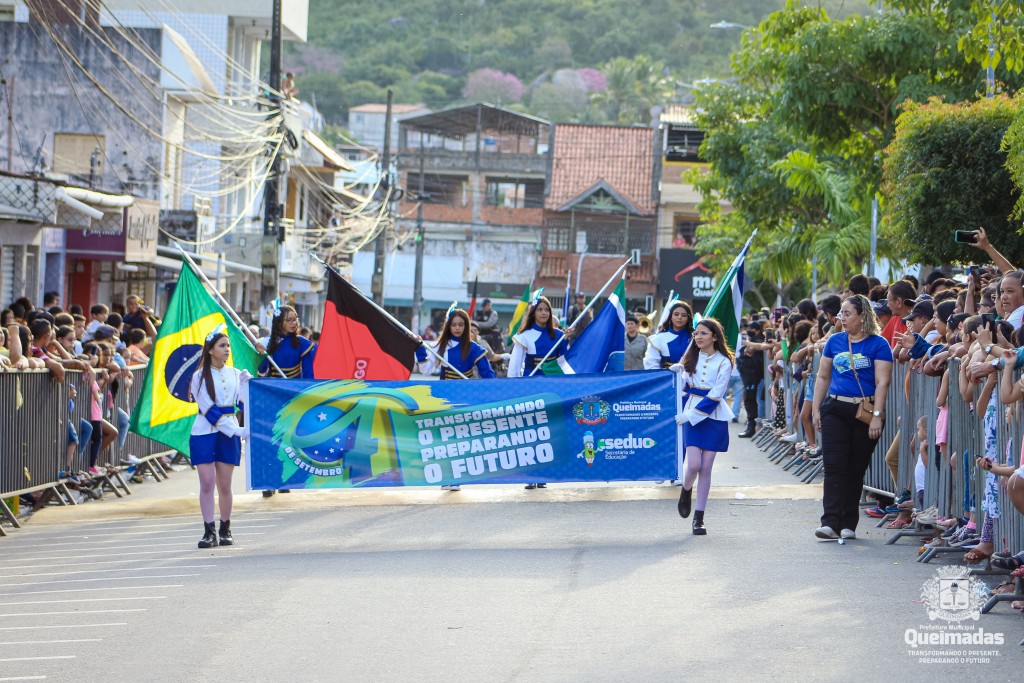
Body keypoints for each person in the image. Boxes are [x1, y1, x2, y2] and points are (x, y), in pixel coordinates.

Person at [811, 295, 893, 541]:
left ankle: (848, 523)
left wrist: (877, 416)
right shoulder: (834, 342)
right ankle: (830, 522)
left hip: (864, 412)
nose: (841, 318)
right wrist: (816, 408)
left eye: (847, 314)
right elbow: (823, 377)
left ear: (862, 316)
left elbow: (883, 382)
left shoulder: (878, 344)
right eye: (840, 314)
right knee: (834, 467)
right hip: (835, 408)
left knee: (855, 468)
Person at [417, 309, 496, 491]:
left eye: (461, 325)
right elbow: (425, 371)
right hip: (444, 396)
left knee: (460, 436)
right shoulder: (440, 347)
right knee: (444, 437)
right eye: (454, 325)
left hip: (464, 395)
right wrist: (420, 350)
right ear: (448, 326)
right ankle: (446, 475)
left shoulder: (474, 348)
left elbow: (488, 375)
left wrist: (490, 387)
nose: (457, 328)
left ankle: (457, 476)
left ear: (466, 326)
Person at [672, 317, 736, 535]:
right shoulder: (690, 358)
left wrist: (690, 415)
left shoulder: (724, 361)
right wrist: (676, 373)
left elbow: (717, 394)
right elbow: (681, 387)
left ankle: (698, 518)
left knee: (706, 468)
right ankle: (686, 490)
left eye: (703, 333)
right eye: (696, 334)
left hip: (713, 415)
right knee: (693, 465)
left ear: (714, 337)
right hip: (691, 413)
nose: (698, 337)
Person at [189, 325, 250, 549]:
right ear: (210, 350)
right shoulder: (198, 377)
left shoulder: (234, 373)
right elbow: (209, 409)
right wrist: (235, 430)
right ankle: (208, 531)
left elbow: (241, 405)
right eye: (222, 346)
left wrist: (245, 386)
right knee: (206, 482)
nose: (227, 349)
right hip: (205, 432)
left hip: (229, 432)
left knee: (225, 485)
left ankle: (225, 528)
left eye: (228, 346)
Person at [256, 305, 316, 497]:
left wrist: (302, 395)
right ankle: (268, 481)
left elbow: (308, 377)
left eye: (295, 318)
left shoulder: (303, 345)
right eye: (289, 319)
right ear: (279, 322)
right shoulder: (268, 344)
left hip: (292, 397)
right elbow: (261, 372)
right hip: (270, 397)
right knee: (269, 439)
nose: (293, 323)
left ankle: (283, 479)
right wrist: (263, 355)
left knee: (287, 441)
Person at [508, 295, 564, 490]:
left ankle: (543, 473)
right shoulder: (524, 337)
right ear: (533, 313)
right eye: (540, 309)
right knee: (531, 430)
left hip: (552, 388)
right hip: (530, 386)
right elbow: (515, 366)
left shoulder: (558, 336)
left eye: (547, 310)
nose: (543, 313)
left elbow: (566, 363)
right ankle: (530, 473)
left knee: (548, 430)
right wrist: (513, 386)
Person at [644, 301, 694, 370]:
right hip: (667, 378)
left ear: (688, 318)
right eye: (676, 314)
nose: (679, 317)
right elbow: (651, 364)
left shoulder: (695, 338)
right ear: (670, 316)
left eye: (684, 315)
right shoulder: (659, 338)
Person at [737, 320, 765, 437]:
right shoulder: (751, 341)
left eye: (752, 329)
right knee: (749, 400)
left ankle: (752, 427)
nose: (750, 331)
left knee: (751, 400)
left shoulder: (758, 341)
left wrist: (748, 346)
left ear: (758, 331)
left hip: (754, 376)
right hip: (749, 376)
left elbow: (755, 349)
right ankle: (751, 426)